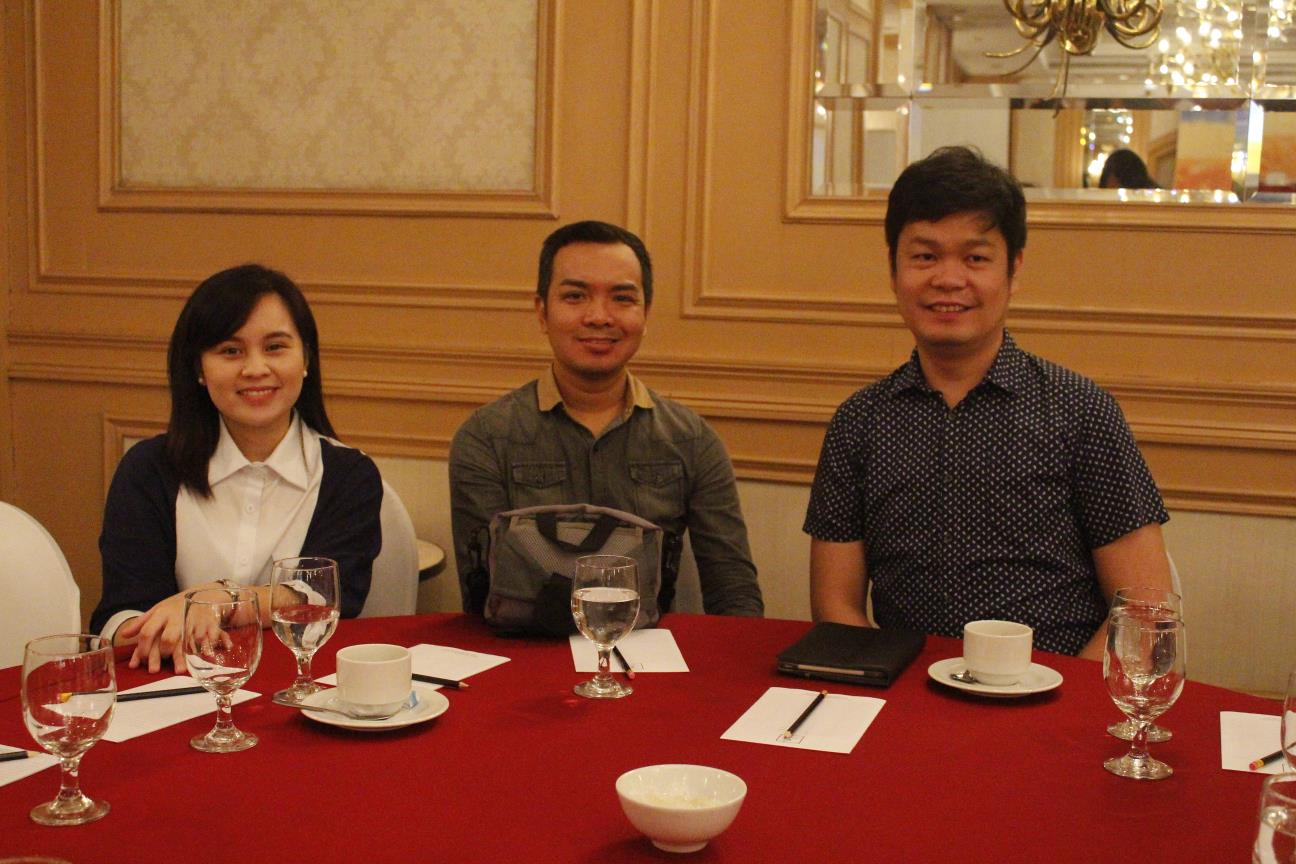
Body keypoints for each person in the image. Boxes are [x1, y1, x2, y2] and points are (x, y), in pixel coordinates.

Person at [803, 147, 1172, 658]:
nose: (948, 279)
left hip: (1057, 688)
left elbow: (1145, 607)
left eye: (975, 258)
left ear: (1013, 271)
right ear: (893, 269)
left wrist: (1064, 696)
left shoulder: (1081, 412)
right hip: (906, 689)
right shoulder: (860, 422)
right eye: (925, 256)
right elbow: (834, 604)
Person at [450, 220, 763, 618]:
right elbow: (483, 596)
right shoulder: (486, 438)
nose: (599, 316)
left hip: (647, 648)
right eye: (575, 296)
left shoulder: (692, 441)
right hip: (525, 646)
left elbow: (734, 592)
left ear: (645, 314)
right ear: (542, 312)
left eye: (622, 298)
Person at [90, 264, 382, 672]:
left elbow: (326, 598)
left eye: (275, 347)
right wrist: (161, 624)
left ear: (306, 359)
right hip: (169, 683)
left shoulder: (349, 476)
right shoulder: (147, 470)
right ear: (198, 368)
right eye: (231, 351)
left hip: (299, 684)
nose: (255, 368)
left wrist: (221, 600)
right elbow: (122, 618)